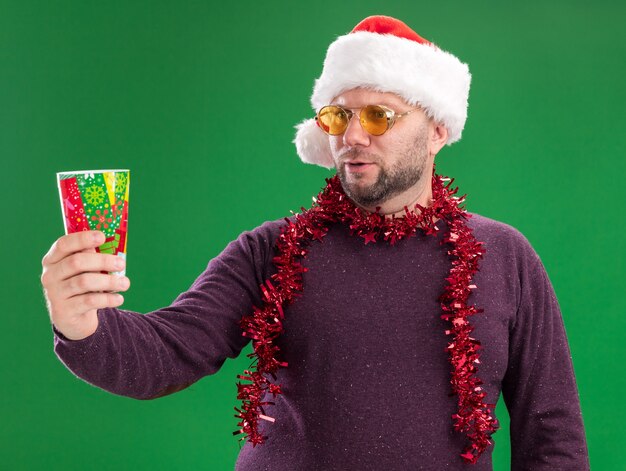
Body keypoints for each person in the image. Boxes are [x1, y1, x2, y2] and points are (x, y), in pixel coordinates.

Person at [41, 15, 590, 470]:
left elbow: (552, 433)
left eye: (380, 115)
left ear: (438, 130)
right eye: (338, 114)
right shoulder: (272, 249)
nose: (352, 135)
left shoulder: (504, 256)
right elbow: (166, 354)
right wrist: (80, 321)